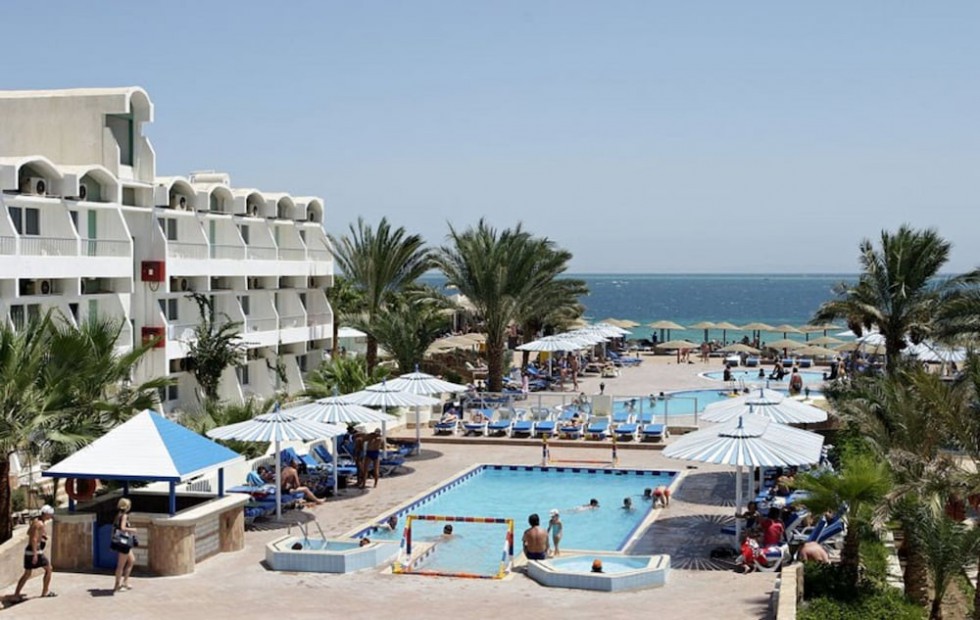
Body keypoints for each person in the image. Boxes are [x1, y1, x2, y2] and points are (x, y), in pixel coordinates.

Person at [12, 504, 55, 601]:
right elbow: (34, 539)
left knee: (27, 573)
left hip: (29, 551)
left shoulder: (35, 521)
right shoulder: (40, 524)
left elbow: (29, 533)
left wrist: (41, 536)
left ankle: (16, 594)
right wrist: (35, 554)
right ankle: (45, 592)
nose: (51, 516)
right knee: (49, 569)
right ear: (46, 514)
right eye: (50, 514)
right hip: (35, 551)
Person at [112, 498, 137, 593]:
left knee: (132, 560)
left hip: (124, 542)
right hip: (124, 542)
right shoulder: (124, 516)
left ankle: (125, 582)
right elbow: (122, 528)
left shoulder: (118, 515)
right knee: (121, 565)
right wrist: (133, 530)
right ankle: (117, 585)